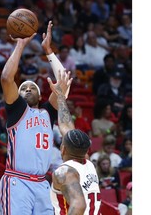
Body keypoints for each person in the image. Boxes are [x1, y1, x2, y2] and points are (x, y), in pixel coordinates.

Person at [0, 21, 71, 215]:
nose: (28, 89)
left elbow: (64, 83)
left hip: (41, 184)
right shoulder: (17, 110)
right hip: (17, 182)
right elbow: (6, 78)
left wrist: (48, 51)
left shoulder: (48, 112)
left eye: (32, 87)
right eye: (23, 88)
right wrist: (21, 45)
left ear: (40, 95)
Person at [47, 70, 101, 215]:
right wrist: (60, 97)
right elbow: (68, 128)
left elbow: (78, 206)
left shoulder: (65, 172)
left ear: (62, 149)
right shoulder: (88, 163)